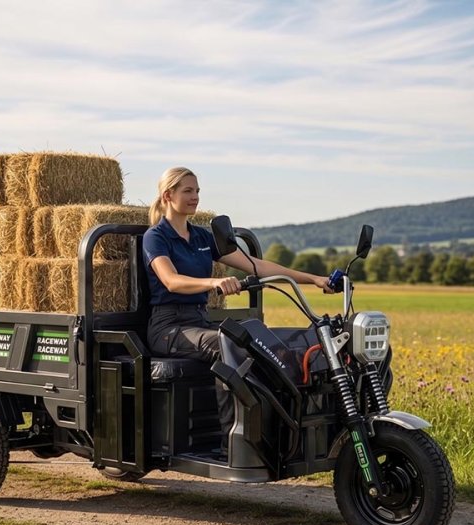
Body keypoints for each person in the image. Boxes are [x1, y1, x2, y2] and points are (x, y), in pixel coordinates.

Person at [142, 166, 333, 456]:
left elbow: (257, 265)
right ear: (168, 195)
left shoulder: (202, 237)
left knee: (261, 343)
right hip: (168, 327)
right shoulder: (156, 237)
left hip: (198, 321)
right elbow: (171, 280)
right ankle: (231, 441)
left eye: (197, 191)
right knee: (225, 344)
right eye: (188, 191)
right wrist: (214, 281)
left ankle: (275, 431)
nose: (195, 197)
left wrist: (312, 279)